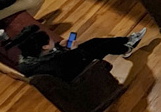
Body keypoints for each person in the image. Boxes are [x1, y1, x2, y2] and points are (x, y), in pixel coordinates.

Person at [13, 27, 147, 81]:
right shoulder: (46, 65)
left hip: (66, 62)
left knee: (94, 42)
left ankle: (126, 44)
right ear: (45, 46)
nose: (52, 39)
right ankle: (126, 45)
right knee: (100, 47)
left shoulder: (29, 58)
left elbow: (50, 57)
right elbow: (63, 68)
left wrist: (59, 46)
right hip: (76, 72)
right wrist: (75, 51)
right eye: (50, 40)